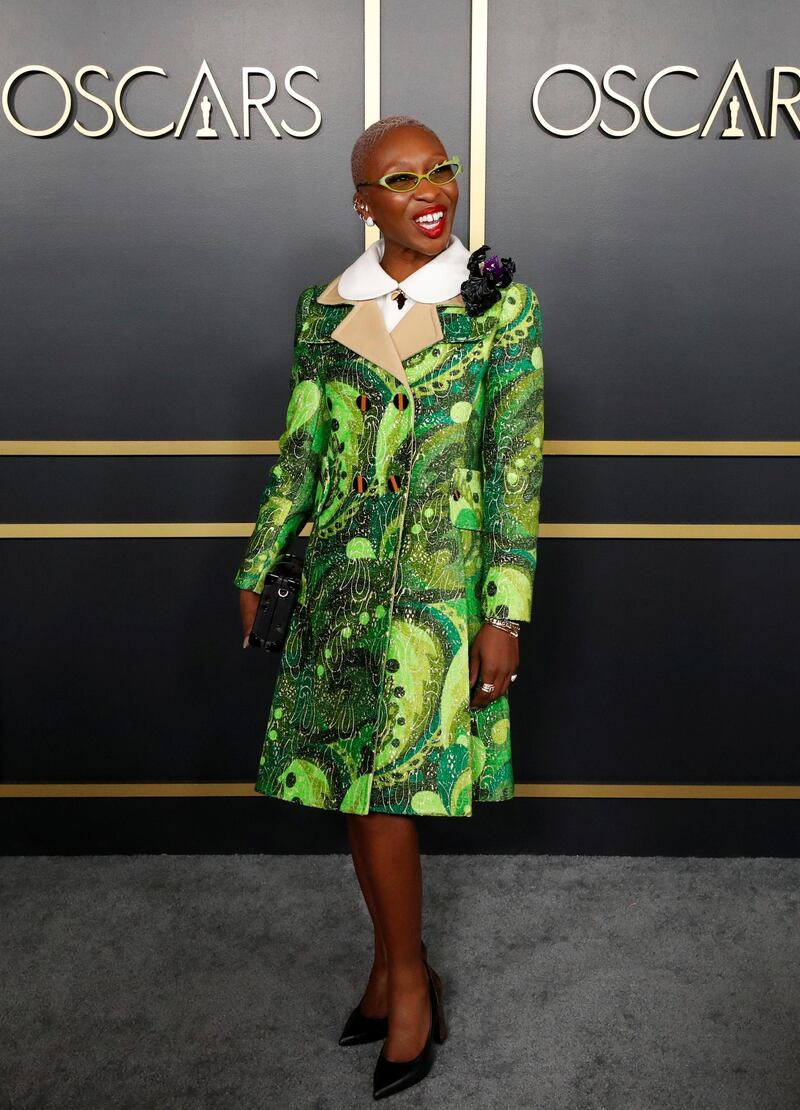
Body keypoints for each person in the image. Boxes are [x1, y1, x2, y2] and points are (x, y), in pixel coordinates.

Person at [235, 115, 544, 1100]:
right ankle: (389, 969)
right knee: (352, 795)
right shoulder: (322, 310)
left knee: (383, 794)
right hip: (335, 589)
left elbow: (512, 472)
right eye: (399, 177)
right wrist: (258, 564)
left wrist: (504, 609)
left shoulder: (499, 304)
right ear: (363, 203)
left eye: (439, 170)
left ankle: (409, 986)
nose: (429, 189)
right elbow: (302, 450)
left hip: (436, 604)